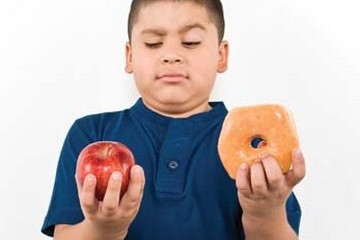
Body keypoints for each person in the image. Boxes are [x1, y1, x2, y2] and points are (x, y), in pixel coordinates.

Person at [41, 0, 306, 239]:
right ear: (130, 56)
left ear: (221, 55)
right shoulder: (91, 135)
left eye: (190, 42)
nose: (171, 54)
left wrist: (264, 212)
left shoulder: (256, 147)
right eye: (154, 43)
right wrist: (105, 229)